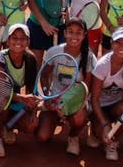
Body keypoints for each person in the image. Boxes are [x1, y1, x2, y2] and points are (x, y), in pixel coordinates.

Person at [36, 17, 94, 156]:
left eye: (78, 33)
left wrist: (69, 105)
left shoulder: (89, 57)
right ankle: (57, 119)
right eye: (70, 32)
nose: (74, 36)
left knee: (79, 117)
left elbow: (87, 88)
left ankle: (73, 136)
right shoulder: (53, 52)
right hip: (54, 101)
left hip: (76, 102)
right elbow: (44, 76)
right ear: (65, 34)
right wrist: (47, 97)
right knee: (42, 137)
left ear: (84, 35)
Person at [90, 26, 123, 161]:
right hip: (98, 107)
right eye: (118, 42)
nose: (122, 46)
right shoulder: (102, 65)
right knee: (99, 135)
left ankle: (113, 143)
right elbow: (94, 99)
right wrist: (105, 125)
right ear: (111, 44)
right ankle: (95, 132)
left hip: (115, 106)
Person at [0, 23, 39, 147]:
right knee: (4, 102)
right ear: (8, 41)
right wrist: (21, 98)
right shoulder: (0, 58)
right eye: (14, 38)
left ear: (28, 42)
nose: (18, 41)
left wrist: (33, 109)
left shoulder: (31, 59)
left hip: (16, 102)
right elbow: (0, 90)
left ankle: (8, 127)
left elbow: (33, 90)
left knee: (31, 125)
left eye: (22, 38)